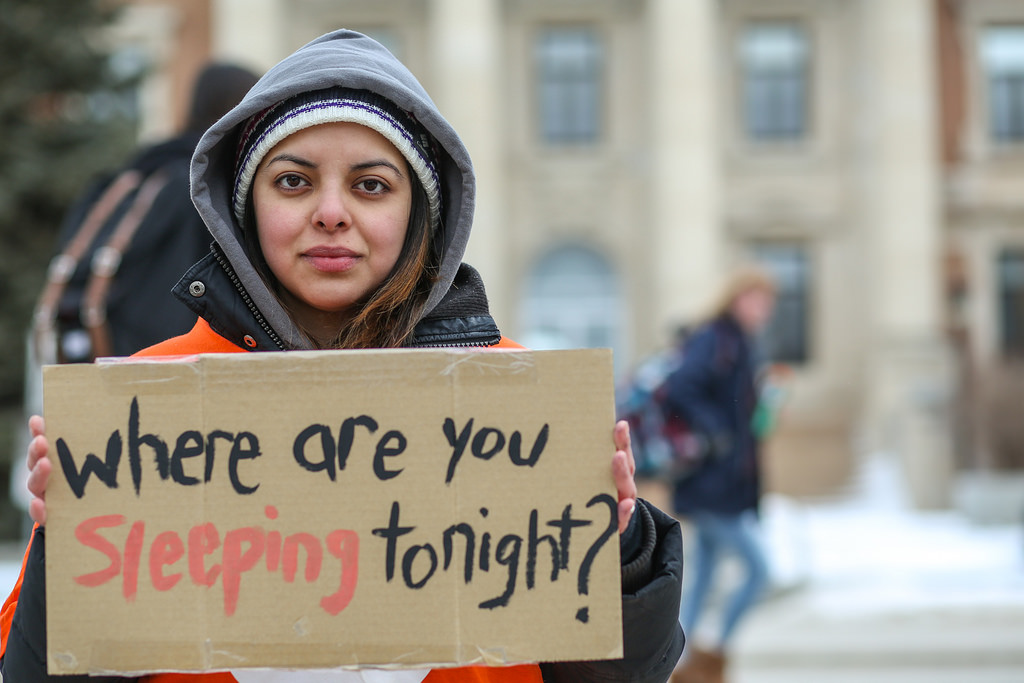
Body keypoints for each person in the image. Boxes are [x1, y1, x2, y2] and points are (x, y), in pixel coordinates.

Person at [0, 30, 684, 683]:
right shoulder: (149, 406)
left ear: (420, 211)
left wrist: (614, 552)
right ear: (245, 210)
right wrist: (71, 549)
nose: (331, 212)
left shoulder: (517, 407)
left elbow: (614, 670)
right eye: (294, 182)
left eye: (371, 185)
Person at [665, 267, 777, 683]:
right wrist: (719, 433)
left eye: (768, 303)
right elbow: (682, 386)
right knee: (760, 569)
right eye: (757, 300)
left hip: (726, 483)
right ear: (736, 299)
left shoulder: (741, 343)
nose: (764, 310)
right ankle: (715, 652)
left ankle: (684, 659)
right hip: (712, 483)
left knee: (704, 576)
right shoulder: (716, 337)